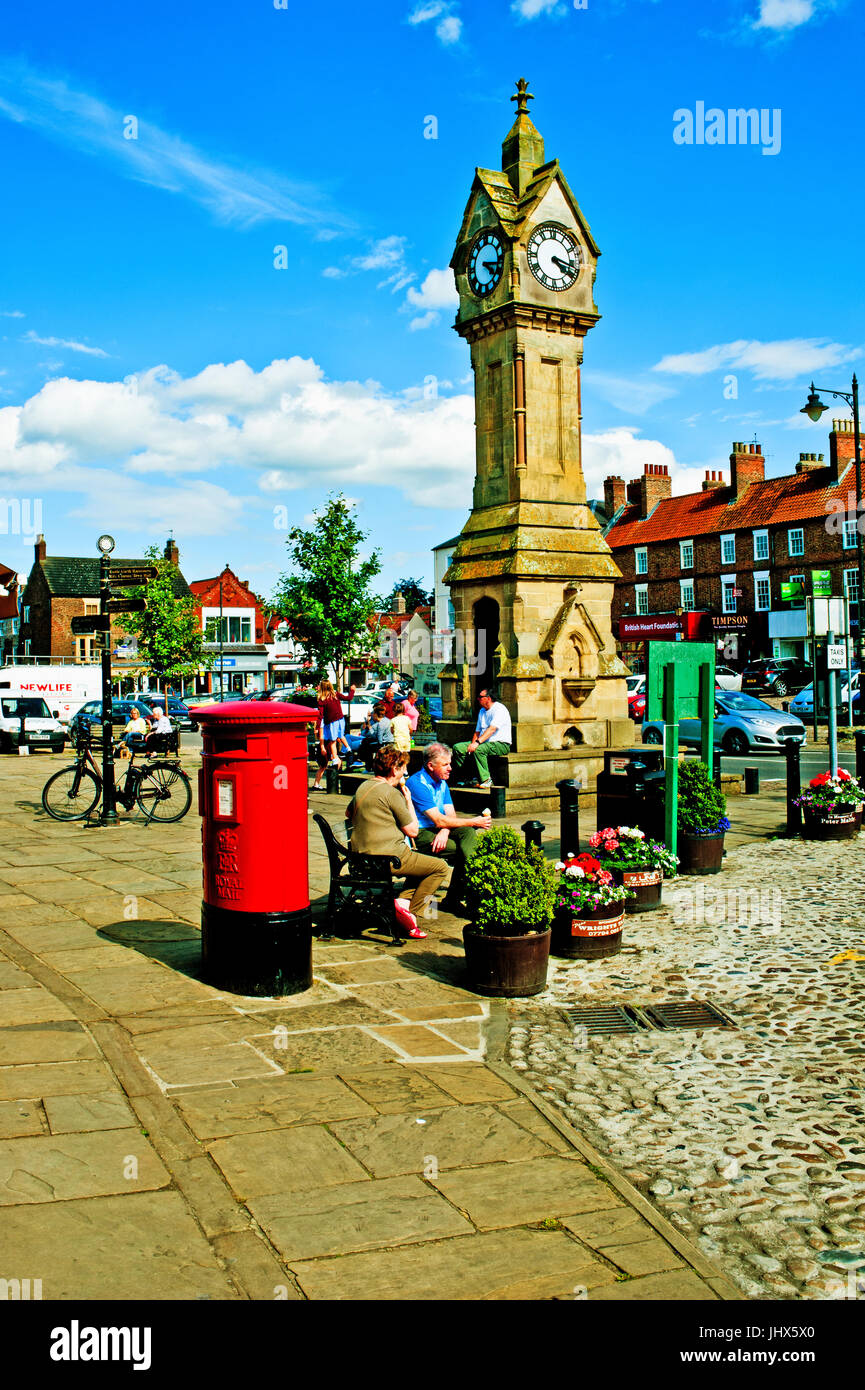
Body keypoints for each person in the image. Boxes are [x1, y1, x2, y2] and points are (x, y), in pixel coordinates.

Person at [346, 746, 449, 932]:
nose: (405, 772)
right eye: (403, 768)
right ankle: (411, 913)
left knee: (423, 866)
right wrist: (408, 801)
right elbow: (413, 831)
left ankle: (401, 901)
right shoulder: (391, 793)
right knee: (439, 868)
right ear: (394, 769)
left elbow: (348, 813)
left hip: (362, 858)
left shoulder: (364, 786)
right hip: (390, 858)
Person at [407, 743, 491, 913]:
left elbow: (450, 816)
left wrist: (445, 831)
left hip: (438, 829)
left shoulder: (442, 782)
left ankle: (472, 886)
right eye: (445, 764)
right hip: (420, 833)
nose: (450, 768)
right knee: (461, 847)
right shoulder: (417, 784)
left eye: (450, 764)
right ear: (430, 766)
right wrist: (475, 822)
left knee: (467, 833)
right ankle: (466, 895)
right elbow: (438, 819)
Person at [451, 687, 512, 788]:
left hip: (501, 744)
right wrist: (472, 745)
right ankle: (470, 778)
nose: (478, 699)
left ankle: (487, 780)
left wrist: (477, 744)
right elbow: (477, 731)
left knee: (479, 750)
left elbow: (492, 729)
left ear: (488, 698)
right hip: (484, 743)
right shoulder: (482, 711)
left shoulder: (499, 709)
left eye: (480, 697)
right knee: (458, 748)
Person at [316, 680, 346, 769]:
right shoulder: (336, 695)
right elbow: (348, 698)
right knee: (339, 738)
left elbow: (320, 714)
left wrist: (317, 726)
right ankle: (346, 750)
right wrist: (352, 690)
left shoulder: (322, 699)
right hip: (340, 720)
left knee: (332, 741)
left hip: (330, 722)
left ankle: (335, 758)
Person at [358, 701, 393, 771]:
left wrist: (370, 728)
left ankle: (368, 767)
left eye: (373, 713)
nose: (372, 714)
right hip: (389, 742)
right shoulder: (387, 720)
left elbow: (378, 739)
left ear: (376, 714)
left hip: (384, 744)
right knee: (366, 742)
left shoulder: (381, 724)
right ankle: (365, 764)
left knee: (367, 746)